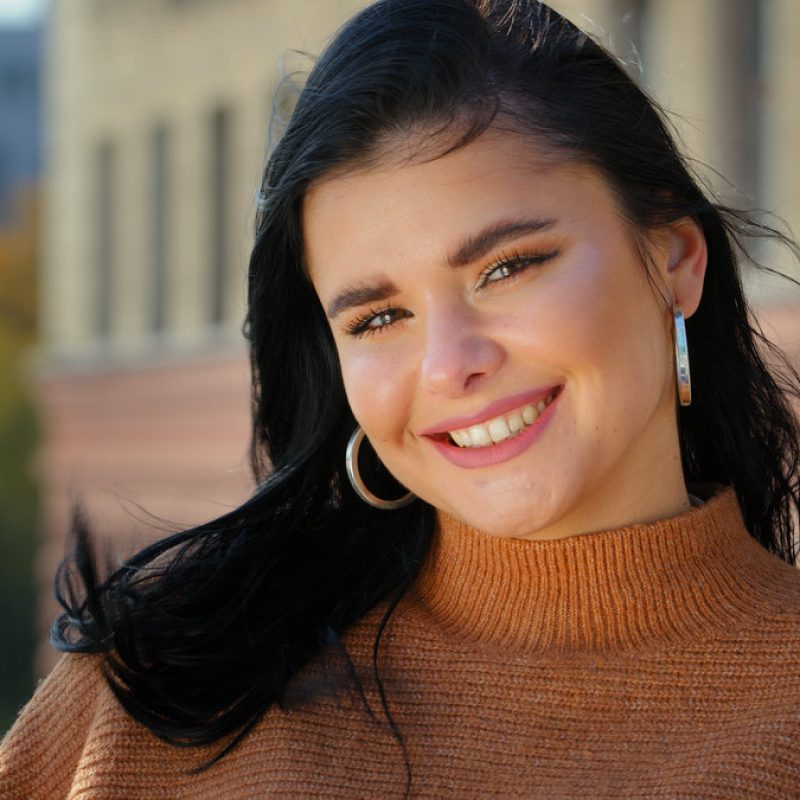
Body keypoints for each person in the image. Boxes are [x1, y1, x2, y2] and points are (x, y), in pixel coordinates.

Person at [3, 0, 800, 796]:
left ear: (676, 260)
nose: (450, 365)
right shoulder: (162, 693)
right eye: (379, 317)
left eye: (508, 267)